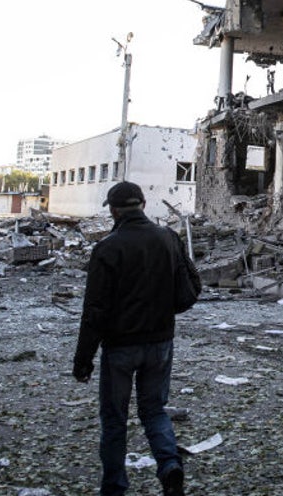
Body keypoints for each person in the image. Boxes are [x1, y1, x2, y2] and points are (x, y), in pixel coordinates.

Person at [73, 181, 199, 496]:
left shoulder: (107, 248)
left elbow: (95, 310)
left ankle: (114, 487)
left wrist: (83, 359)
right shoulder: (168, 238)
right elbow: (190, 289)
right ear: (143, 204)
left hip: (120, 347)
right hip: (160, 342)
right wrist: (164, 309)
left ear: (114, 211)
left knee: (114, 419)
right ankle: (169, 466)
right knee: (154, 410)